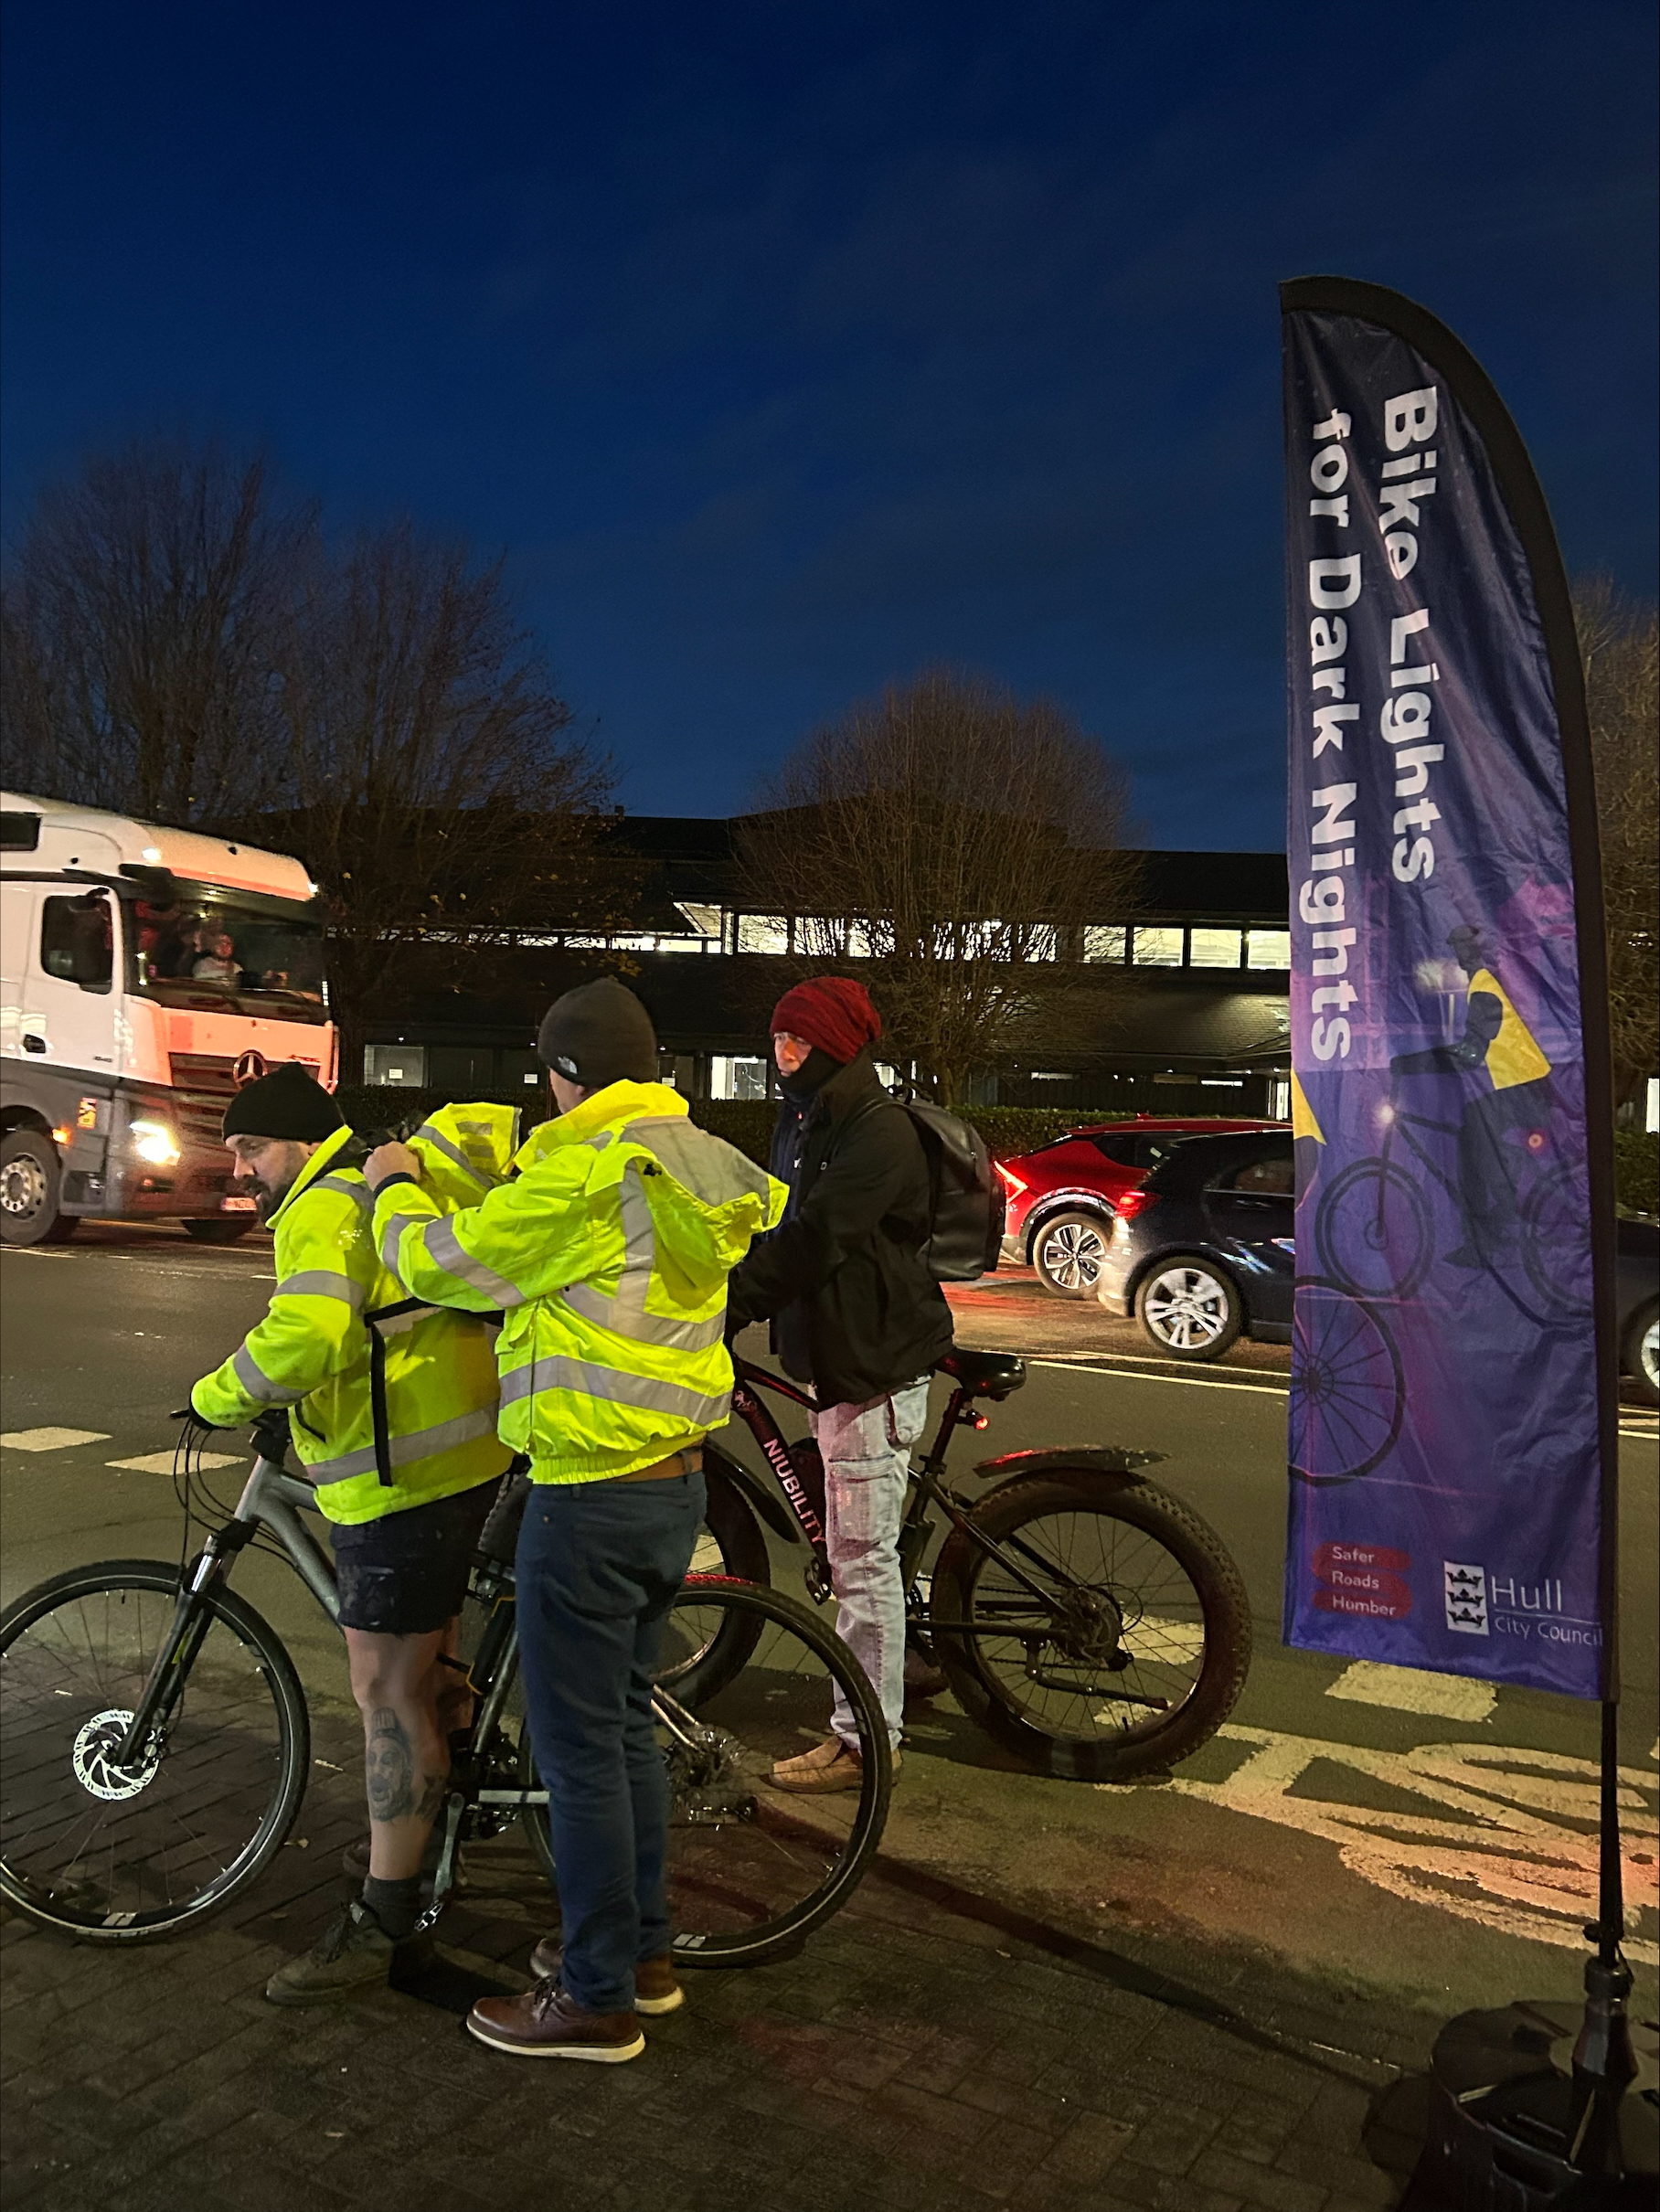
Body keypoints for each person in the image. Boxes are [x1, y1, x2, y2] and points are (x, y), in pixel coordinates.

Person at [366, 976, 785, 2064]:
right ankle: (642, 1956)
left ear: (564, 1073)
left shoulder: (586, 1172)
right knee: (622, 1733)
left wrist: (393, 1182)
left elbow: (434, 1265)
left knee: (578, 1751)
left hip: (591, 1491)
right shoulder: (686, 1158)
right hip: (672, 1482)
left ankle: (595, 1996)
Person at [189, 1061, 515, 2003]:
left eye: (251, 1147)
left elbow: (311, 1329)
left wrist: (215, 1394)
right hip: (448, 1455)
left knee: (384, 1690)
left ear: (296, 1139)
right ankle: (420, 1849)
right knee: (428, 1676)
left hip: (403, 1476)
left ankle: (385, 1916)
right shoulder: (352, 1183)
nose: (243, 1168)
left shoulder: (324, 1204)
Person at [725, 976, 954, 1793]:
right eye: (779, 1040)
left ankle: (866, 1742)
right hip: (841, 1359)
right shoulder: (807, 1117)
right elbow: (776, 1215)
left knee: (860, 1562)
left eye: (800, 1042)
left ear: (836, 1047)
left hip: (872, 1366)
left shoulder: (875, 1130)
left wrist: (734, 1302)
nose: (784, 1054)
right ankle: (912, 1658)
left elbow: (818, 1237)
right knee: (871, 1550)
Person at [1389, 925, 1554, 1268]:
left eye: (1465, 948)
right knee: (1476, 1149)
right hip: (1515, 1085)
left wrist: (1409, 1065)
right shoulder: (1489, 983)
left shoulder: (1484, 986)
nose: (1460, 956)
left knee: (1476, 1158)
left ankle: (1494, 1237)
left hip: (1518, 1087)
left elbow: (1470, 1052)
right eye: (1457, 947)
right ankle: (1499, 1226)